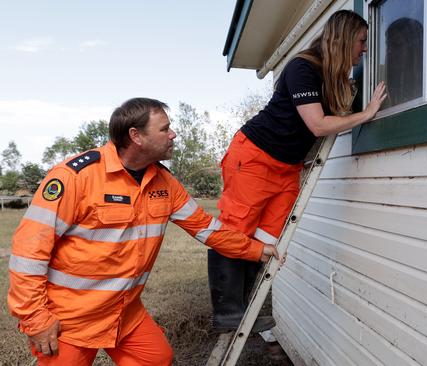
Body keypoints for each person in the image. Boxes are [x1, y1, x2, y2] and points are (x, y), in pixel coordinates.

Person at [7, 98, 279, 365]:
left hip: (124, 312)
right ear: (136, 136)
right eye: (164, 129)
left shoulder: (164, 182)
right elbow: (28, 252)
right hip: (71, 317)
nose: (173, 134)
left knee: (156, 358)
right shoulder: (75, 177)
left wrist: (257, 250)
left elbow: (207, 228)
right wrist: (34, 318)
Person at [207, 9, 387, 333]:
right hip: (255, 157)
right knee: (236, 230)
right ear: (345, 39)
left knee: (266, 238)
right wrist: (368, 113)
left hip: (287, 169)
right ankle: (226, 311)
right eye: (361, 41)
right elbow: (318, 125)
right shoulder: (302, 68)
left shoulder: (332, 77)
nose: (365, 48)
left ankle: (245, 307)